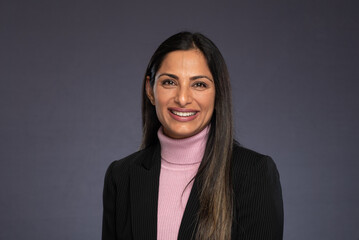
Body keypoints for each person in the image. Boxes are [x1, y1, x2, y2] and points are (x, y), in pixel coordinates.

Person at [102, 32, 283, 240]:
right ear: (150, 90)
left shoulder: (254, 173)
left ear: (218, 93)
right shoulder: (121, 176)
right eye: (169, 82)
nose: (182, 98)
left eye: (199, 84)